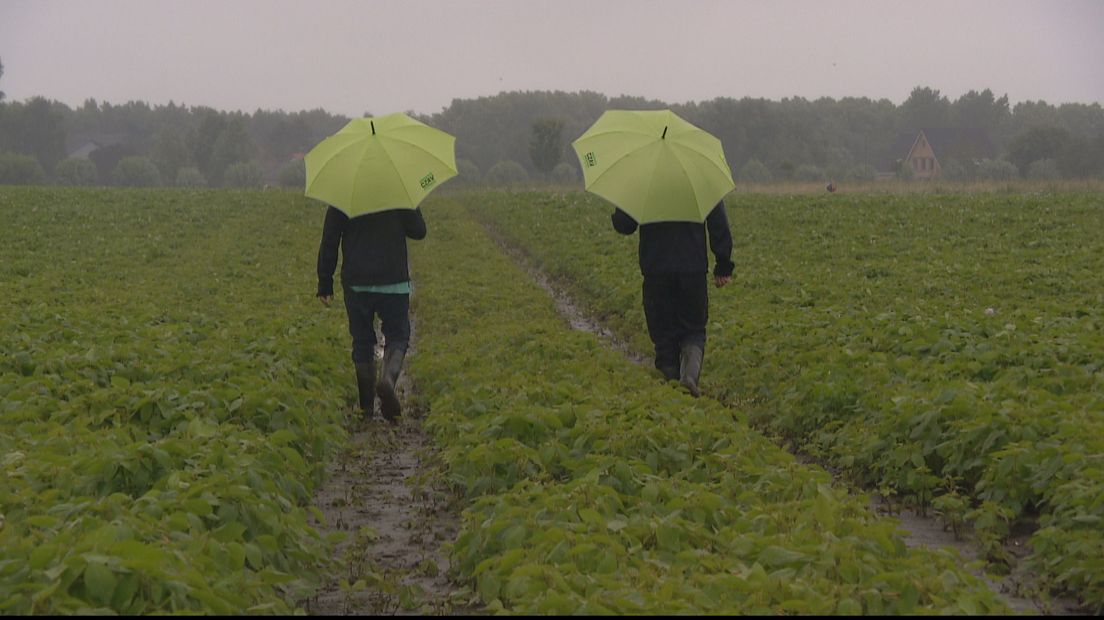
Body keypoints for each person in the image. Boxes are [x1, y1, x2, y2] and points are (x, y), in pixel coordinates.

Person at [612, 201, 733, 397]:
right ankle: (689, 379)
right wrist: (723, 263)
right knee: (693, 331)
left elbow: (624, 225)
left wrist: (620, 204)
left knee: (663, 337)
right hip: (693, 269)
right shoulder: (698, 177)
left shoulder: (644, 178)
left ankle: (670, 393)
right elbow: (718, 221)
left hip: (656, 269)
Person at [317, 206, 426, 421]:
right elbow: (419, 231)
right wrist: (412, 205)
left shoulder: (344, 192)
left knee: (362, 341)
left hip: (357, 281)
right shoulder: (397, 191)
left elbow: (330, 238)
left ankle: (366, 409)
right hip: (393, 279)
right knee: (398, 335)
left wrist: (325, 282)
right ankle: (388, 379)